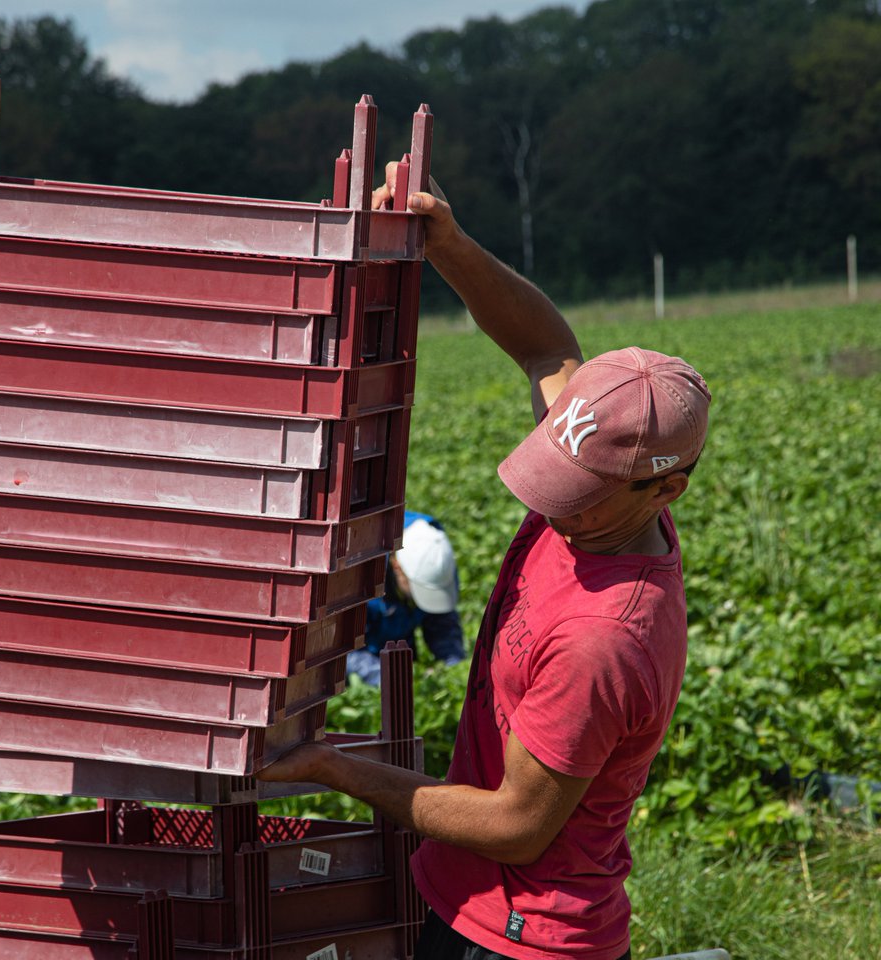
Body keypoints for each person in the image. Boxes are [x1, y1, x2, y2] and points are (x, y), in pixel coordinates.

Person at [259, 166, 710, 960]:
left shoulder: (605, 637)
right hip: (465, 901)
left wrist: (330, 767)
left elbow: (516, 826)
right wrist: (450, 245)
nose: (559, 505)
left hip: (519, 937)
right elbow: (546, 347)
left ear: (664, 487)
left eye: (585, 496)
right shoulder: (603, 486)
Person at [346, 509, 467, 686]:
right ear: (397, 568)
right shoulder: (358, 575)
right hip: (363, 675)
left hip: (403, 657)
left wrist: (453, 666)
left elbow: (441, 618)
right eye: (418, 589)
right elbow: (343, 653)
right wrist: (392, 679)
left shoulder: (435, 554)